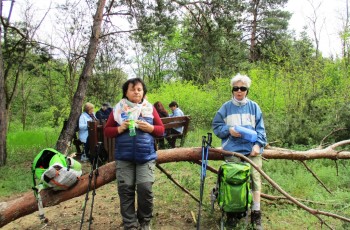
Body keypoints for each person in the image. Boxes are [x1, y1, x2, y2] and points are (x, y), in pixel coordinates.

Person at [104, 78, 165, 230]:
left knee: (145, 189)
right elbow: (107, 131)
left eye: (139, 89)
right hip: (124, 158)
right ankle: (130, 224)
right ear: (126, 92)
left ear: (143, 92)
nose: (136, 92)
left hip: (145, 157)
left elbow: (161, 130)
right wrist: (119, 129)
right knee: (126, 191)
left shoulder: (149, 108)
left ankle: (144, 222)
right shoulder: (118, 109)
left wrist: (150, 128)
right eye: (133, 89)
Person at [212, 73, 267, 230]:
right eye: (236, 88)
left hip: (252, 152)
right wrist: (228, 130)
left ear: (247, 90)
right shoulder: (225, 108)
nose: (239, 91)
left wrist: (258, 146)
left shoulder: (254, 107)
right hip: (233, 151)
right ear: (232, 89)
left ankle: (256, 213)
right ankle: (232, 213)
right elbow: (216, 126)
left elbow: (261, 131)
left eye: (242, 88)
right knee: (233, 179)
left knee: (255, 178)